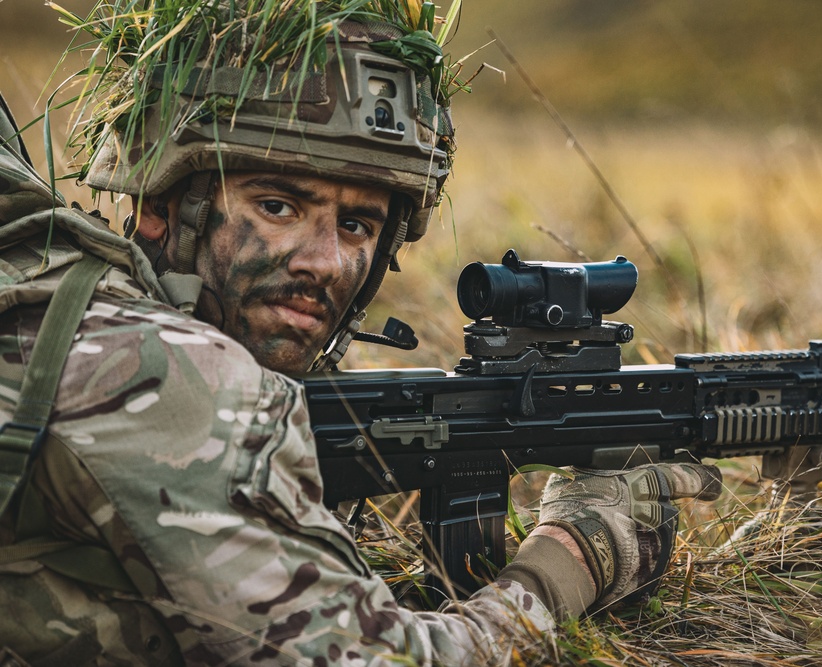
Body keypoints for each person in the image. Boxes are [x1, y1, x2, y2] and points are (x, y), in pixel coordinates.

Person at [0, 4, 721, 665]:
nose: (326, 262)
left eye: (358, 225)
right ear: (162, 206)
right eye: (279, 205)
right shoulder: (161, 375)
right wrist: (576, 553)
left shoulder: (52, 284)